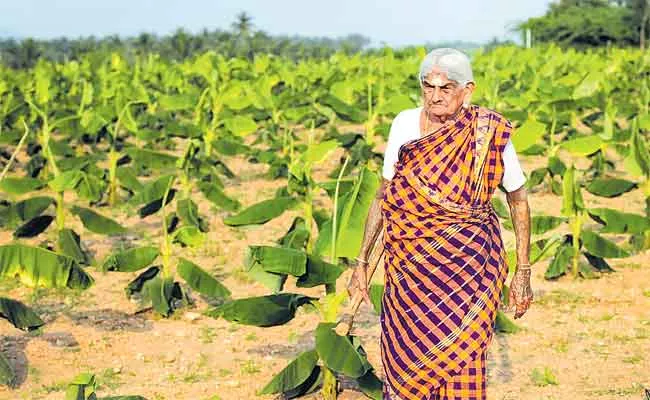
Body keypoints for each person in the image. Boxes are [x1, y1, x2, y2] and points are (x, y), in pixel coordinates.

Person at [349, 48, 533, 400]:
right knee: (406, 356)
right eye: (427, 87)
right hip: (409, 273)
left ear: (468, 90)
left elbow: (518, 199)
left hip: (470, 270)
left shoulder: (488, 132)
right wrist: (362, 262)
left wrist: (522, 271)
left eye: (445, 88)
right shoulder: (404, 124)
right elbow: (382, 195)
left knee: (464, 355)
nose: (434, 96)